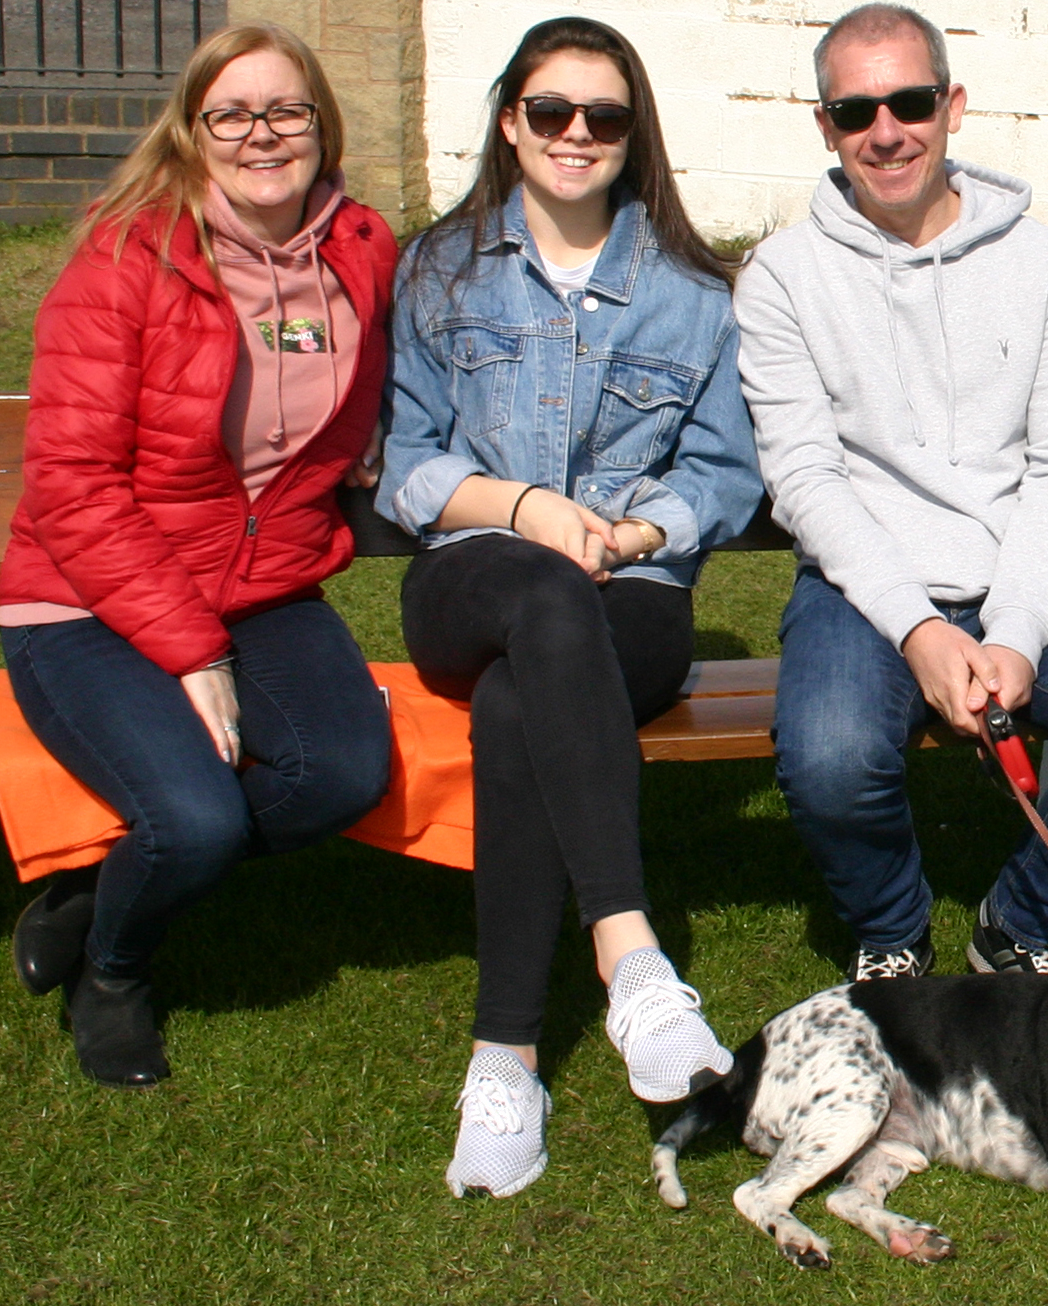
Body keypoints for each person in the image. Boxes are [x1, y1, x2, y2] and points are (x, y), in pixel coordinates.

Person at [735, 4, 1048, 984]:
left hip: (1018, 570)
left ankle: (1020, 920)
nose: (885, 130)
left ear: (950, 106)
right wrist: (918, 630)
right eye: (854, 109)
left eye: (908, 101)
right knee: (826, 757)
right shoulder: (781, 275)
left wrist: (1014, 633)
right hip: (861, 582)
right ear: (823, 125)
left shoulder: (1042, 263)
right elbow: (805, 480)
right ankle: (890, 934)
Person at [379, 16, 762, 1199]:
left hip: (635, 593)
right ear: (510, 121)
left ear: (632, 131)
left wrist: (641, 530)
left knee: (515, 703)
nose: (577, 135)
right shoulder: (441, 268)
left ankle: (504, 1056)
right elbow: (404, 463)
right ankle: (630, 955)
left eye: (604, 116)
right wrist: (529, 508)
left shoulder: (695, 292)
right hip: (471, 573)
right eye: (552, 112)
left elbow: (724, 477)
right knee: (538, 590)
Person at [0, 23, 397, 1088]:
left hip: (261, 586)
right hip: (84, 600)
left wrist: (369, 439)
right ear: (193, 130)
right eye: (233, 114)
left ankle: (98, 883)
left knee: (343, 771)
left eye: (286, 111)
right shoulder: (126, 259)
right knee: (196, 819)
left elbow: (357, 379)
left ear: (322, 122)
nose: (263, 134)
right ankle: (114, 966)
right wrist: (187, 647)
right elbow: (69, 486)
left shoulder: (359, 244)